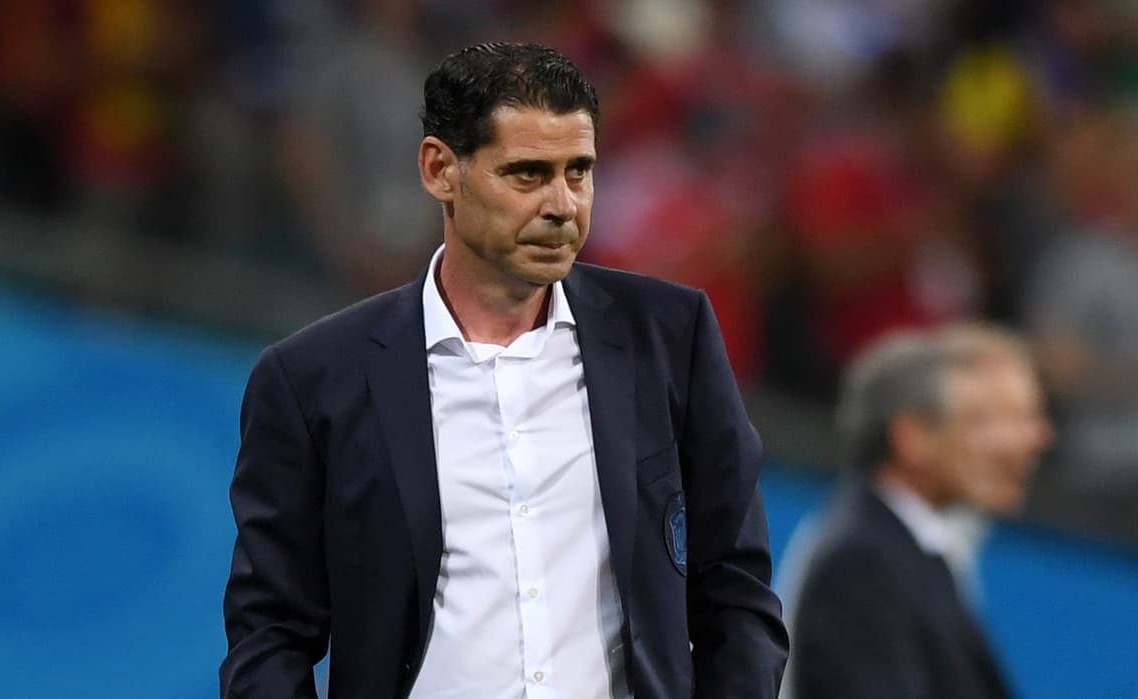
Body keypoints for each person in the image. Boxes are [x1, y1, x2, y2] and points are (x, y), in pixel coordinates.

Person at [219, 42, 788, 698]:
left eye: (579, 171)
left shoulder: (671, 337)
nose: (562, 205)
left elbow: (737, 589)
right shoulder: (312, 379)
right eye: (527, 174)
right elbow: (270, 633)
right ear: (440, 169)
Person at [784, 324, 1052, 699]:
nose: (1025, 441)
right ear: (913, 437)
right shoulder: (862, 561)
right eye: (980, 421)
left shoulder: (914, 553)